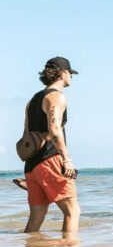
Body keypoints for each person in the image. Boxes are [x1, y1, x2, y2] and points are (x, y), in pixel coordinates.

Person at [22, 57, 81, 233]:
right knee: (72, 211)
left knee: (37, 214)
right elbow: (55, 129)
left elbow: (26, 135)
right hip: (51, 159)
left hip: (32, 165)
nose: (71, 77)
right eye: (70, 73)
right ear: (63, 74)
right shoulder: (57, 97)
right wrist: (67, 159)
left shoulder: (32, 101)